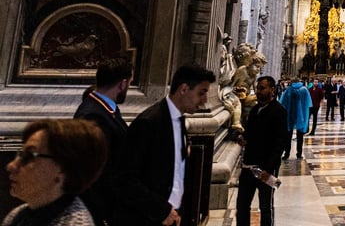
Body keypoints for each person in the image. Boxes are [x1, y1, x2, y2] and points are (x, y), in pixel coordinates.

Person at [123, 64, 215, 226]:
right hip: (150, 217)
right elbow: (126, 179)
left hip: (174, 215)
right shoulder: (149, 122)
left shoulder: (179, 120)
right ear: (184, 89)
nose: (205, 100)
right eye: (201, 93)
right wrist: (161, 210)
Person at [4, 119, 107, 226]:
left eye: (29, 156)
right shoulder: (18, 215)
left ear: (62, 168)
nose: (11, 166)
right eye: (20, 154)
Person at [73, 58, 133, 226]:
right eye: (130, 83)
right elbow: (95, 173)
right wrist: (104, 215)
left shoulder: (107, 107)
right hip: (102, 209)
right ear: (122, 84)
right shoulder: (93, 116)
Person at [236, 76, 289, 226]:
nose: (258, 91)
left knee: (265, 207)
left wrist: (269, 168)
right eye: (258, 88)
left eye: (262, 88)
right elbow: (250, 133)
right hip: (249, 166)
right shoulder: (254, 110)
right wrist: (243, 138)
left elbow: (281, 142)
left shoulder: (279, 111)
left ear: (272, 90)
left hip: (266, 168)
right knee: (242, 205)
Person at [278, 78, 311, 159]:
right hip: (301, 115)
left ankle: (287, 154)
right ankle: (299, 154)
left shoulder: (288, 90)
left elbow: (282, 103)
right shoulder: (304, 90)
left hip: (290, 115)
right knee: (300, 136)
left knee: (288, 136)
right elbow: (308, 104)